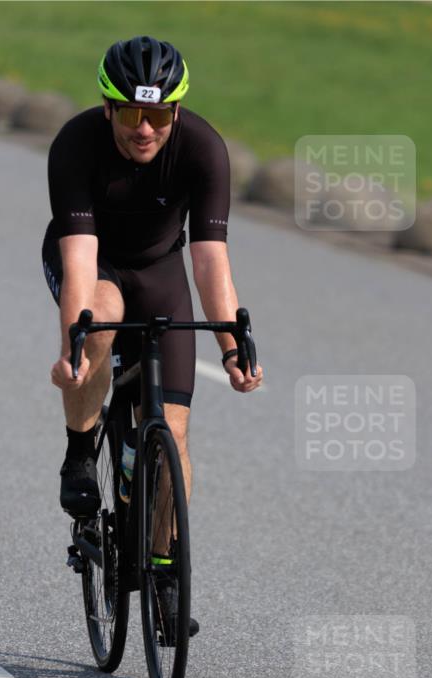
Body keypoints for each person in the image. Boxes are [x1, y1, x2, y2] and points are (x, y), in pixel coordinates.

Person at [42, 35, 263, 636]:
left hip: (162, 272)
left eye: (160, 114)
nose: (146, 129)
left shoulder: (203, 149)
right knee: (102, 322)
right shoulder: (77, 145)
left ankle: (165, 569)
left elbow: (210, 259)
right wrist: (73, 350)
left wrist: (231, 346)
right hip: (97, 263)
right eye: (134, 114)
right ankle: (80, 449)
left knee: (176, 432)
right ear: (109, 108)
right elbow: (81, 259)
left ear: (177, 112)